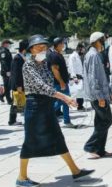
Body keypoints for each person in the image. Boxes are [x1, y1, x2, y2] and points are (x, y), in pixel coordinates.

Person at [17, 35, 93, 187]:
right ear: (31, 49)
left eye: (44, 47)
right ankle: (22, 177)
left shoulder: (44, 63)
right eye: (39, 47)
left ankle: (75, 171)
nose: (43, 49)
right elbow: (42, 86)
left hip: (46, 105)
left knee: (57, 137)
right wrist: (64, 97)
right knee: (30, 141)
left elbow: (49, 82)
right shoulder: (28, 66)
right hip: (34, 106)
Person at [83, 32, 112, 159]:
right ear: (97, 41)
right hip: (98, 96)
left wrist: (109, 93)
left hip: (101, 94)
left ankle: (100, 149)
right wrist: (100, 97)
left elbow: (101, 77)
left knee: (100, 122)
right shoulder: (93, 55)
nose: (104, 42)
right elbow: (93, 78)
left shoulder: (95, 54)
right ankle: (91, 146)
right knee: (108, 120)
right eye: (102, 40)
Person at [48, 37, 77, 128]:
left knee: (65, 102)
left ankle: (67, 121)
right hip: (59, 83)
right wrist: (61, 82)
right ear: (59, 44)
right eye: (62, 44)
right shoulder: (54, 56)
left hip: (63, 82)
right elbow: (55, 70)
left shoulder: (58, 54)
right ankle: (47, 115)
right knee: (63, 100)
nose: (64, 45)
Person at [8, 40, 29, 126]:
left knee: (17, 102)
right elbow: (16, 73)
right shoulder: (17, 58)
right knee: (16, 103)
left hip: (20, 84)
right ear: (24, 49)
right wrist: (18, 86)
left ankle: (13, 120)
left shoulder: (21, 57)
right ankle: (12, 120)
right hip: (18, 85)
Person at [68, 42, 86, 111]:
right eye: (83, 49)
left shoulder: (78, 56)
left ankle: (80, 105)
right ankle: (77, 105)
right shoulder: (73, 56)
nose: (83, 51)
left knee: (80, 92)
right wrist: (74, 77)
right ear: (79, 48)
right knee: (76, 93)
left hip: (80, 76)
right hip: (76, 77)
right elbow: (71, 67)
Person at [0, 39, 14, 104]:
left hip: (9, 71)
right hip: (6, 72)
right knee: (7, 86)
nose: (9, 45)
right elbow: (3, 62)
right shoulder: (3, 51)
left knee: (9, 86)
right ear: (5, 44)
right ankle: (9, 100)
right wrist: (7, 71)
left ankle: (1, 95)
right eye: (9, 44)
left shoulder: (6, 50)